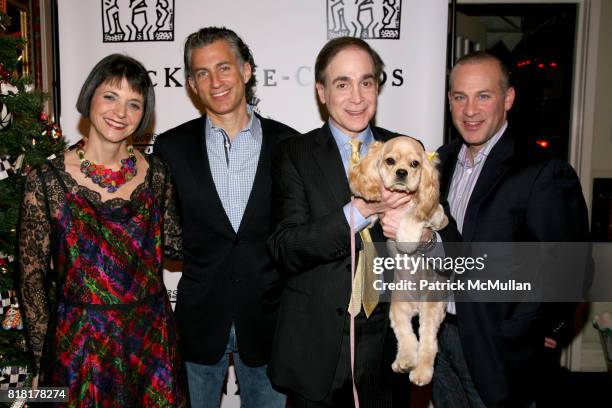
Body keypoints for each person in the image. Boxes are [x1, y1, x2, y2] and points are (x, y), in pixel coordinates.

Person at [18, 54, 185, 407]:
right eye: (111, 96)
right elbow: (31, 280)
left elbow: (176, 246)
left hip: (150, 343)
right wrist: (42, 362)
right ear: (90, 95)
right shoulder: (47, 181)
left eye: (134, 103)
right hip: (78, 347)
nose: (120, 113)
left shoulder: (157, 175)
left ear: (144, 114)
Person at [267, 36, 420, 407]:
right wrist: (361, 211)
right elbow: (286, 248)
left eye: (366, 82)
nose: (357, 97)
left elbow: (444, 244)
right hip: (316, 348)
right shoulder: (293, 154)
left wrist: (420, 232)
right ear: (321, 91)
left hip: (388, 344)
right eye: (342, 83)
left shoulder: (406, 150)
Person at [431, 51, 590, 407]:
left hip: (499, 350)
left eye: (483, 96)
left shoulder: (542, 170)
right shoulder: (439, 162)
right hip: (440, 339)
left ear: (508, 99)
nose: (470, 110)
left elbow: (572, 267)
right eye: (460, 97)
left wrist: (546, 330)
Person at [154, 27, 296, 408]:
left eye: (224, 68)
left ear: (246, 71)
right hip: (198, 321)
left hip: (269, 323)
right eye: (202, 73)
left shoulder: (289, 145)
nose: (215, 82)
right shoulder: (170, 148)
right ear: (191, 84)